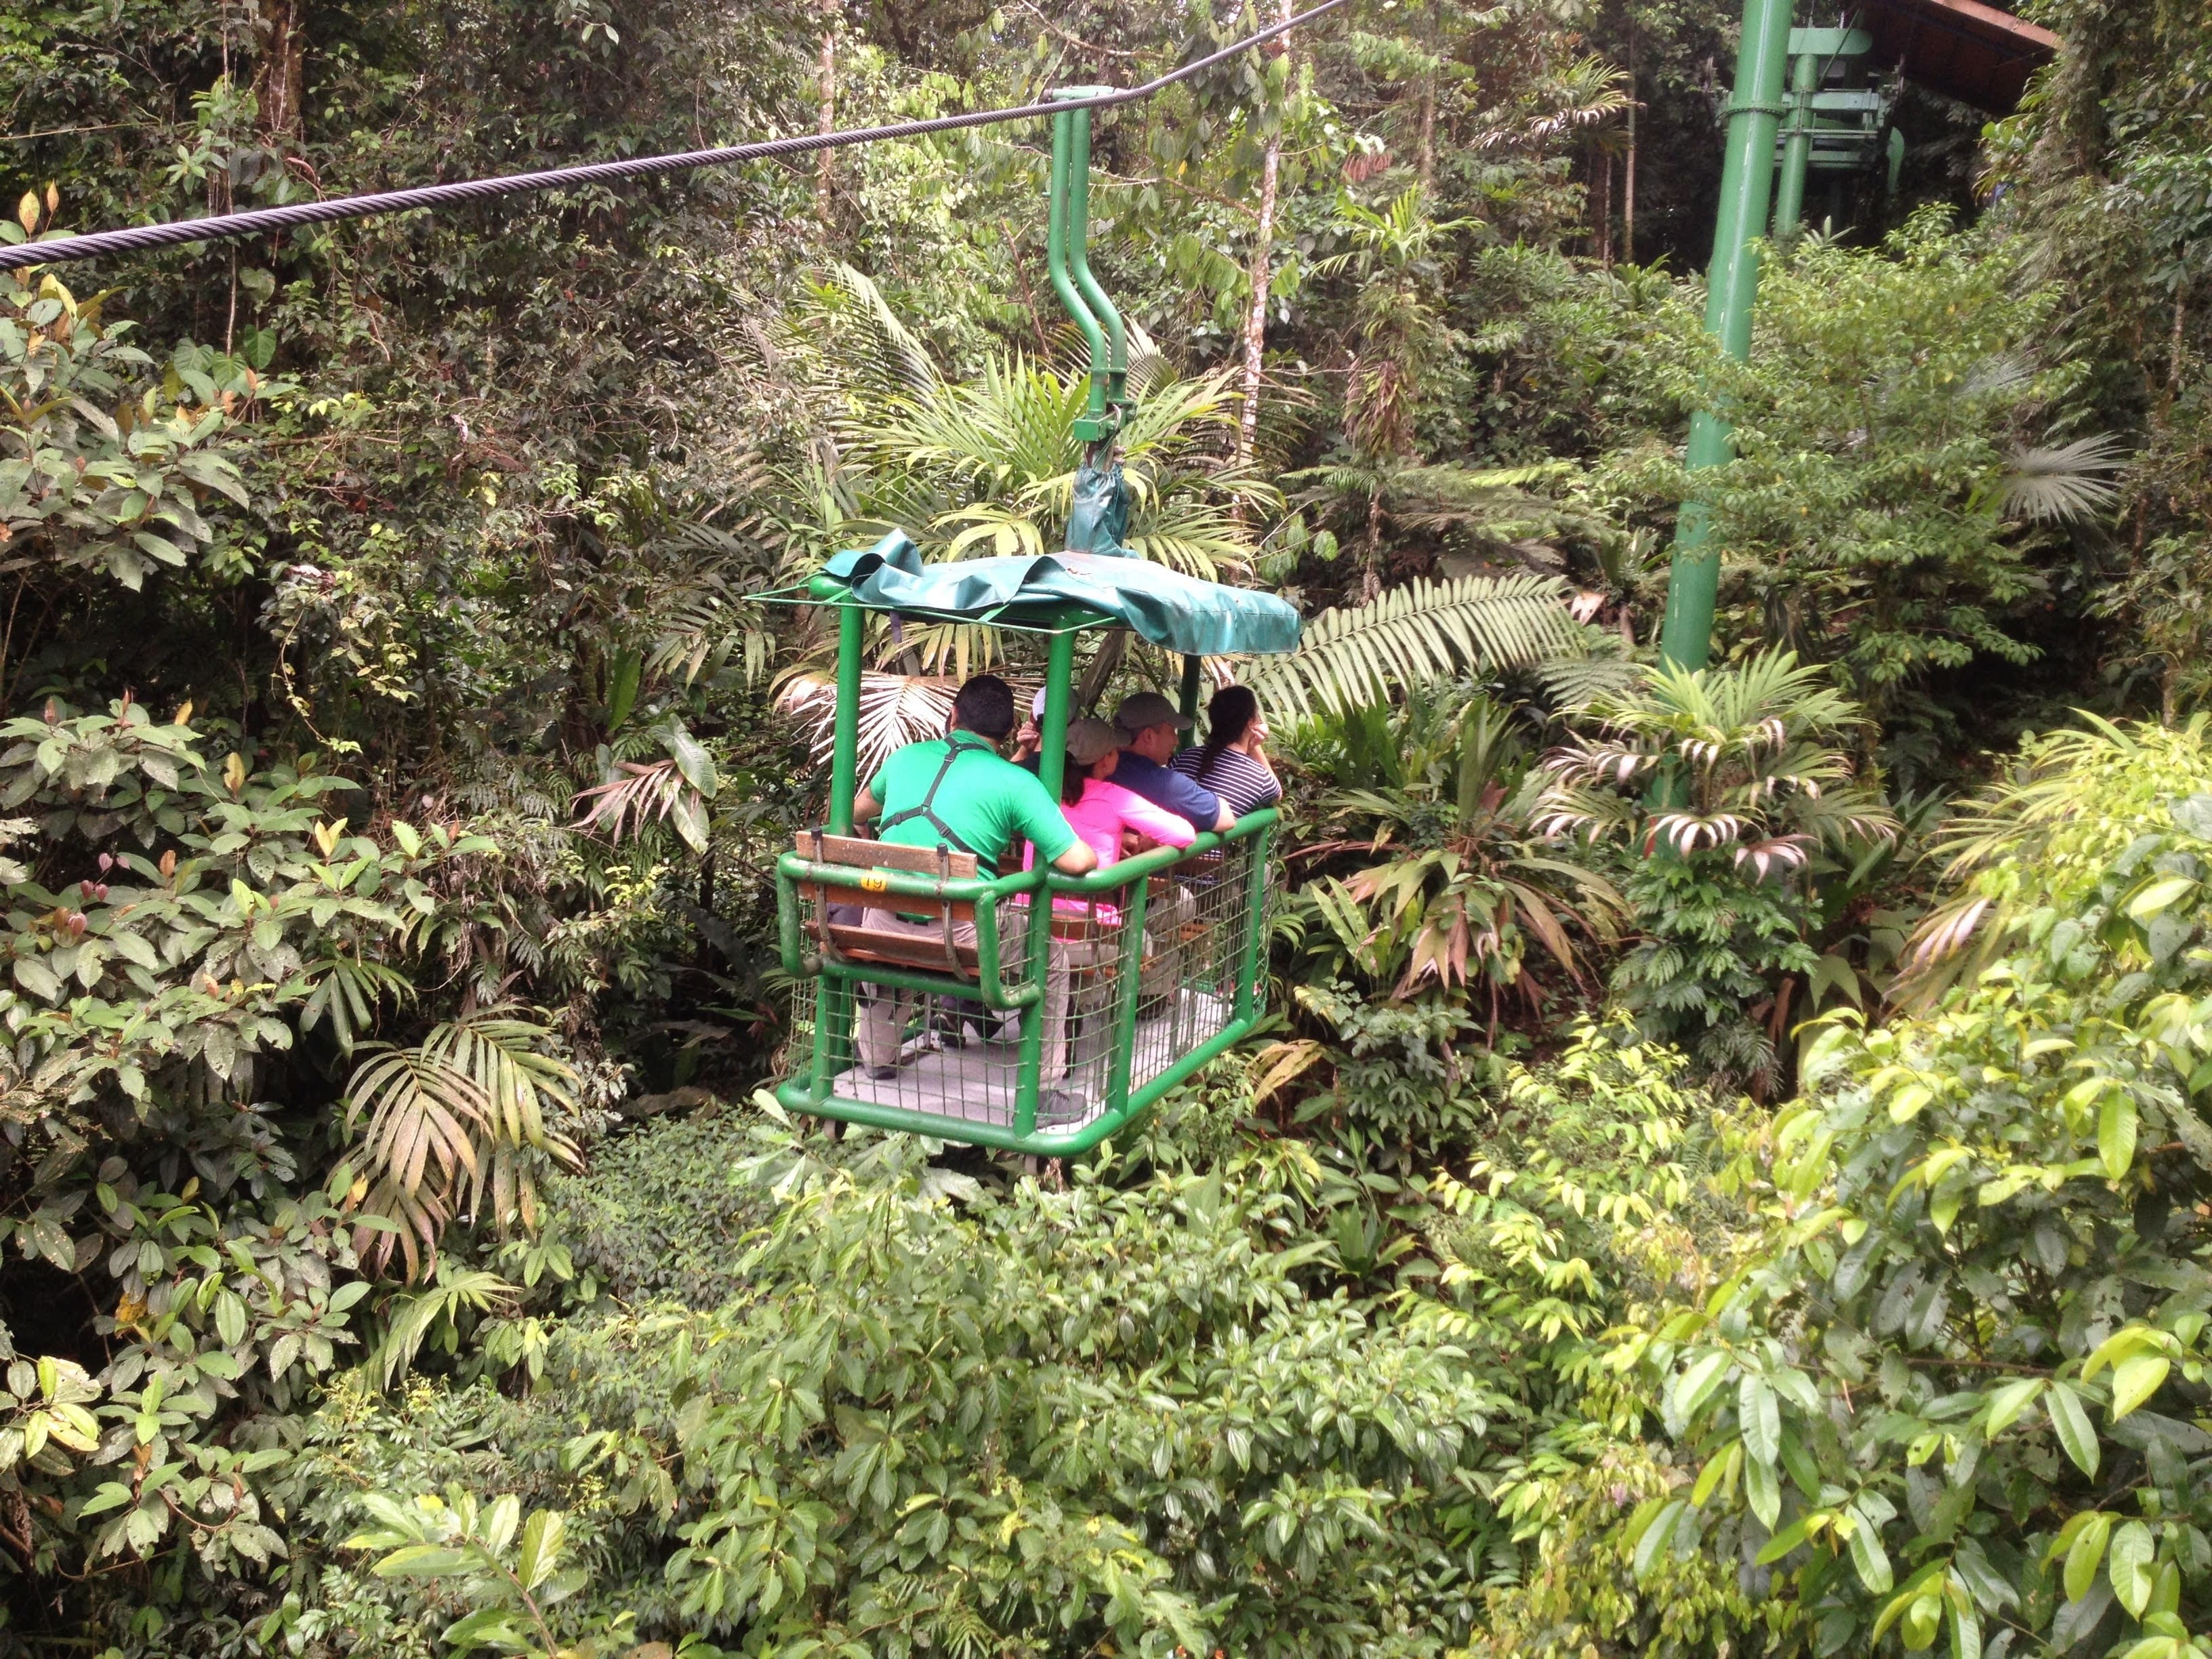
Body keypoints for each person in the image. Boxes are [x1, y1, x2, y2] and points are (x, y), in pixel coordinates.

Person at [851, 674, 1096, 1078]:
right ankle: (1046, 1080)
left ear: (953, 716)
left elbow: (857, 810)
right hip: (965, 934)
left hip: (883, 926)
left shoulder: (905, 758)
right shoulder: (1017, 782)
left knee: (895, 926)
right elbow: (1077, 861)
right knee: (1052, 958)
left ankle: (877, 1058)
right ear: (1009, 730)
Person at [1021, 718, 1200, 1081]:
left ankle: (1067, 1020)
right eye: (1116, 751)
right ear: (1104, 760)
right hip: (1090, 936)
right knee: (1141, 941)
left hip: (1030, 927)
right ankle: (1101, 1012)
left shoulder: (1041, 791)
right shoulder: (1113, 796)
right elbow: (1184, 833)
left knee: (1069, 945)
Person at [1110, 691, 1234, 834]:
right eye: (1172, 731)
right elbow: (1226, 819)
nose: (1176, 740)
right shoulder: (1166, 785)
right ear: (1149, 736)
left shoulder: (1101, 767)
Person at [1171, 684, 1282, 820]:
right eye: (1257, 714)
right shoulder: (1260, 778)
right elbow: (1277, 795)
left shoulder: (1184, 758)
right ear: (1251, 723)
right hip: (1214, 835)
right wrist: (1254, 747)